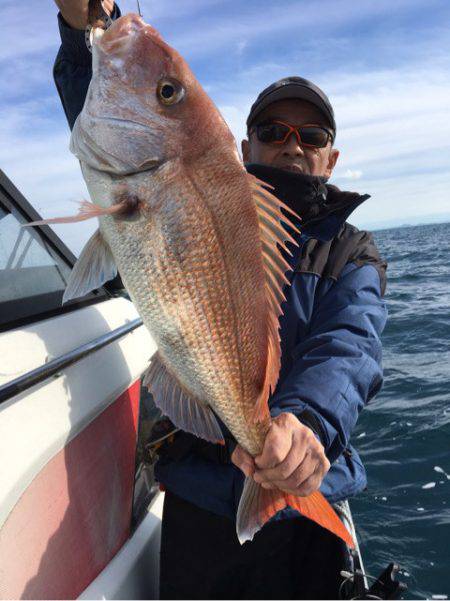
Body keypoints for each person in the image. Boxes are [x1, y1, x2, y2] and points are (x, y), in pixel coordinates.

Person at [53, 3, 388, 598]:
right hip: (200, 501)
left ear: (330, 157)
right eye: (272, 131)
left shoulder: (350, 253)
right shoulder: (199, 190)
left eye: (310, 136)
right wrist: (83, 30)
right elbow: (107, 116)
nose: (291, 145)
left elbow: (351, 348)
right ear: (242, 145)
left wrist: (304, 427)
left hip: (308, 494)